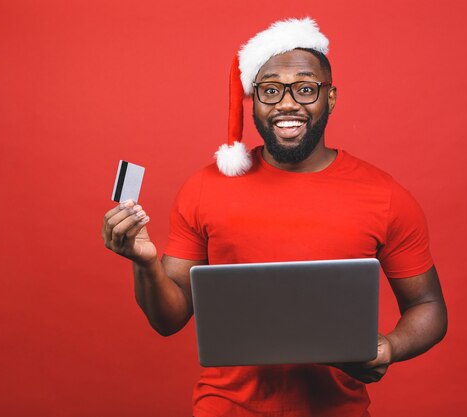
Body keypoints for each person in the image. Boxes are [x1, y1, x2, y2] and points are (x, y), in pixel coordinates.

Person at [102, 17, 447, 417]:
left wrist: (391, 345)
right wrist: (144, 264)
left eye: (305, 89)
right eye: (270, 91)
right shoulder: (205, 187)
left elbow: (428, 305)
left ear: (330, 98)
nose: (286, 104)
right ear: (254, 100)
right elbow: (168, 320)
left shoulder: (385, 195)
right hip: (224, 409)